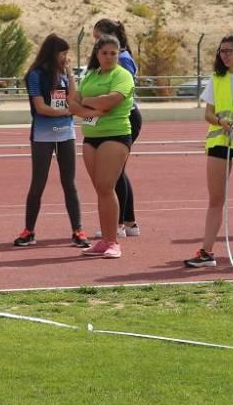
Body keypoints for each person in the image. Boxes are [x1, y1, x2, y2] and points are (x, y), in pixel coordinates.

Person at [185, 35, 233, 269]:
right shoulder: (217, 79)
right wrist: (220, 121)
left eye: (229, 51)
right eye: (221, 51)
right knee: (215, 199)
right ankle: (207, 252)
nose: (224, 55)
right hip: (219, 143)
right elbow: (208, 113)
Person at [13, 34, 87, 248]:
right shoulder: (35, 75)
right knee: (38, 183)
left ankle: (78, 230)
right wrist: (66, 111)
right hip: (43, 134)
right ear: (52, 53)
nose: (66, 57)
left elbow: (72, 99)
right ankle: (29, 230)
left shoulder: (63, 74)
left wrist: (71, 76)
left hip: (65, 133)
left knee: (69, 183)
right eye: (62, 53)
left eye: (67, 53)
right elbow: (41, 107)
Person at [68, 34, 134, 259]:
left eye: (113, 53)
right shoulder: (90, 76)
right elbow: (73, 104)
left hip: (115, 134)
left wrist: (89, 102)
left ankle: (114, 241)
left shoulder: (122, 75)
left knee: (106, 186)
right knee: (100, 189)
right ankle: (105, 240)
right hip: (91, 136)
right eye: (104, 53)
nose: (108, 57)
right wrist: (92, 109)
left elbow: (111, 100)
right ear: (97, 54)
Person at [92, 18, 141, 240]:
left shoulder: (122, 60)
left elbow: (120, 93)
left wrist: (94, 102)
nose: (95, 44)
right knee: (118, 172)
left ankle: (119, 223)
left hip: (123, 117)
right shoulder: (115, 59)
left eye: (97, 38)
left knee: (112, 174)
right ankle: (129, 221)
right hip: (112, 116)